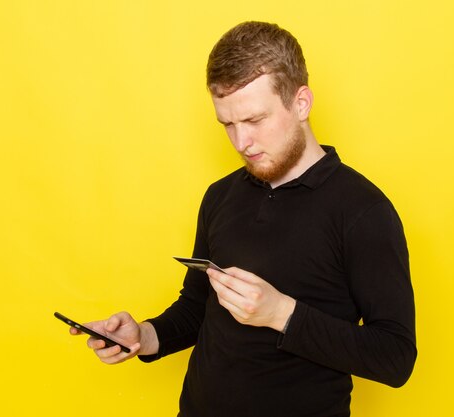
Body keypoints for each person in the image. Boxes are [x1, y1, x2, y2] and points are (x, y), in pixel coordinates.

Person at [69, 21, 417, 417]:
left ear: (301, 103)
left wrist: (281, 313)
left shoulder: (363, 211)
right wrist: (144, 336)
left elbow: (395, 357)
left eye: (254, 121)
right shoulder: (220, 196)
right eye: (228, 125)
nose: (241, 143)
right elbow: (197, 307)